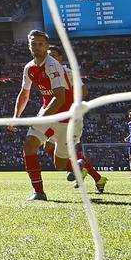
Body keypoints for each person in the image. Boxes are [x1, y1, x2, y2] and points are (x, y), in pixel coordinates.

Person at [12, 31, 86, 201]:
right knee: (29, 144)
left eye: (40, 44)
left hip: (66, 118)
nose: (37, 47)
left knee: (59, 164)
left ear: (46, 46)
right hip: (48, 112)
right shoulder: (29, 68)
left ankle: (77, 167)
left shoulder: (53, 65)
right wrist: (16, 117)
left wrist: (41, 118)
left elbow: (59, 98)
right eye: (33, 44)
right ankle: (39, 192)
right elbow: (24, 94)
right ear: (29, 46)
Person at [46, 45, 106, 191]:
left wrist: (70, 105)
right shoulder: (48, 73)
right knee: (49, 145)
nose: (50, 58)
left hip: (68, 118)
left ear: (60, 58)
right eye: (48, 56)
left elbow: (84, 90)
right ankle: (96, 177)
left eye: (53, 55)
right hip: (55, 117)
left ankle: (79, 169)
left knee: (54, 146)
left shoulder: (67, 72)